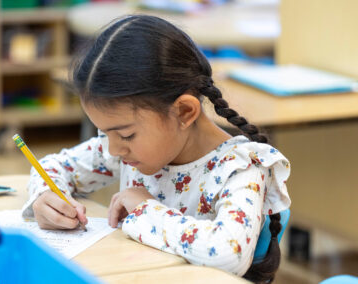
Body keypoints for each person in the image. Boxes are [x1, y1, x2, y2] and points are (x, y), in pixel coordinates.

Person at [21, 15, 291, 283]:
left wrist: (145, 210)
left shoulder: (241, 166)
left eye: (126, 134)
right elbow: (52, 167)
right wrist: (46, 198)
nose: (113, 149)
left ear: (184, 111)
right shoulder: (127, 150)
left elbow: (228, 254)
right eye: (104, 133)